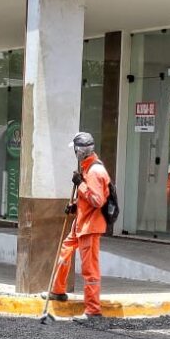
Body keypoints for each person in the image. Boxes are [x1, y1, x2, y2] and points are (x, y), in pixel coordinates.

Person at [49, 132, 110, 320]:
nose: (74, 154)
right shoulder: (87, 168)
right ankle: (57, 291)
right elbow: (88, 197)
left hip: (90, 227)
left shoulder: (95, 172)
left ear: (79, 152)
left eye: (75, 150)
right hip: (81, 223)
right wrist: (75, 204)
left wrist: (80, 185)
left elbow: (97, 200)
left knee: (89, 269)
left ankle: (93, 310)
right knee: (64, 252)